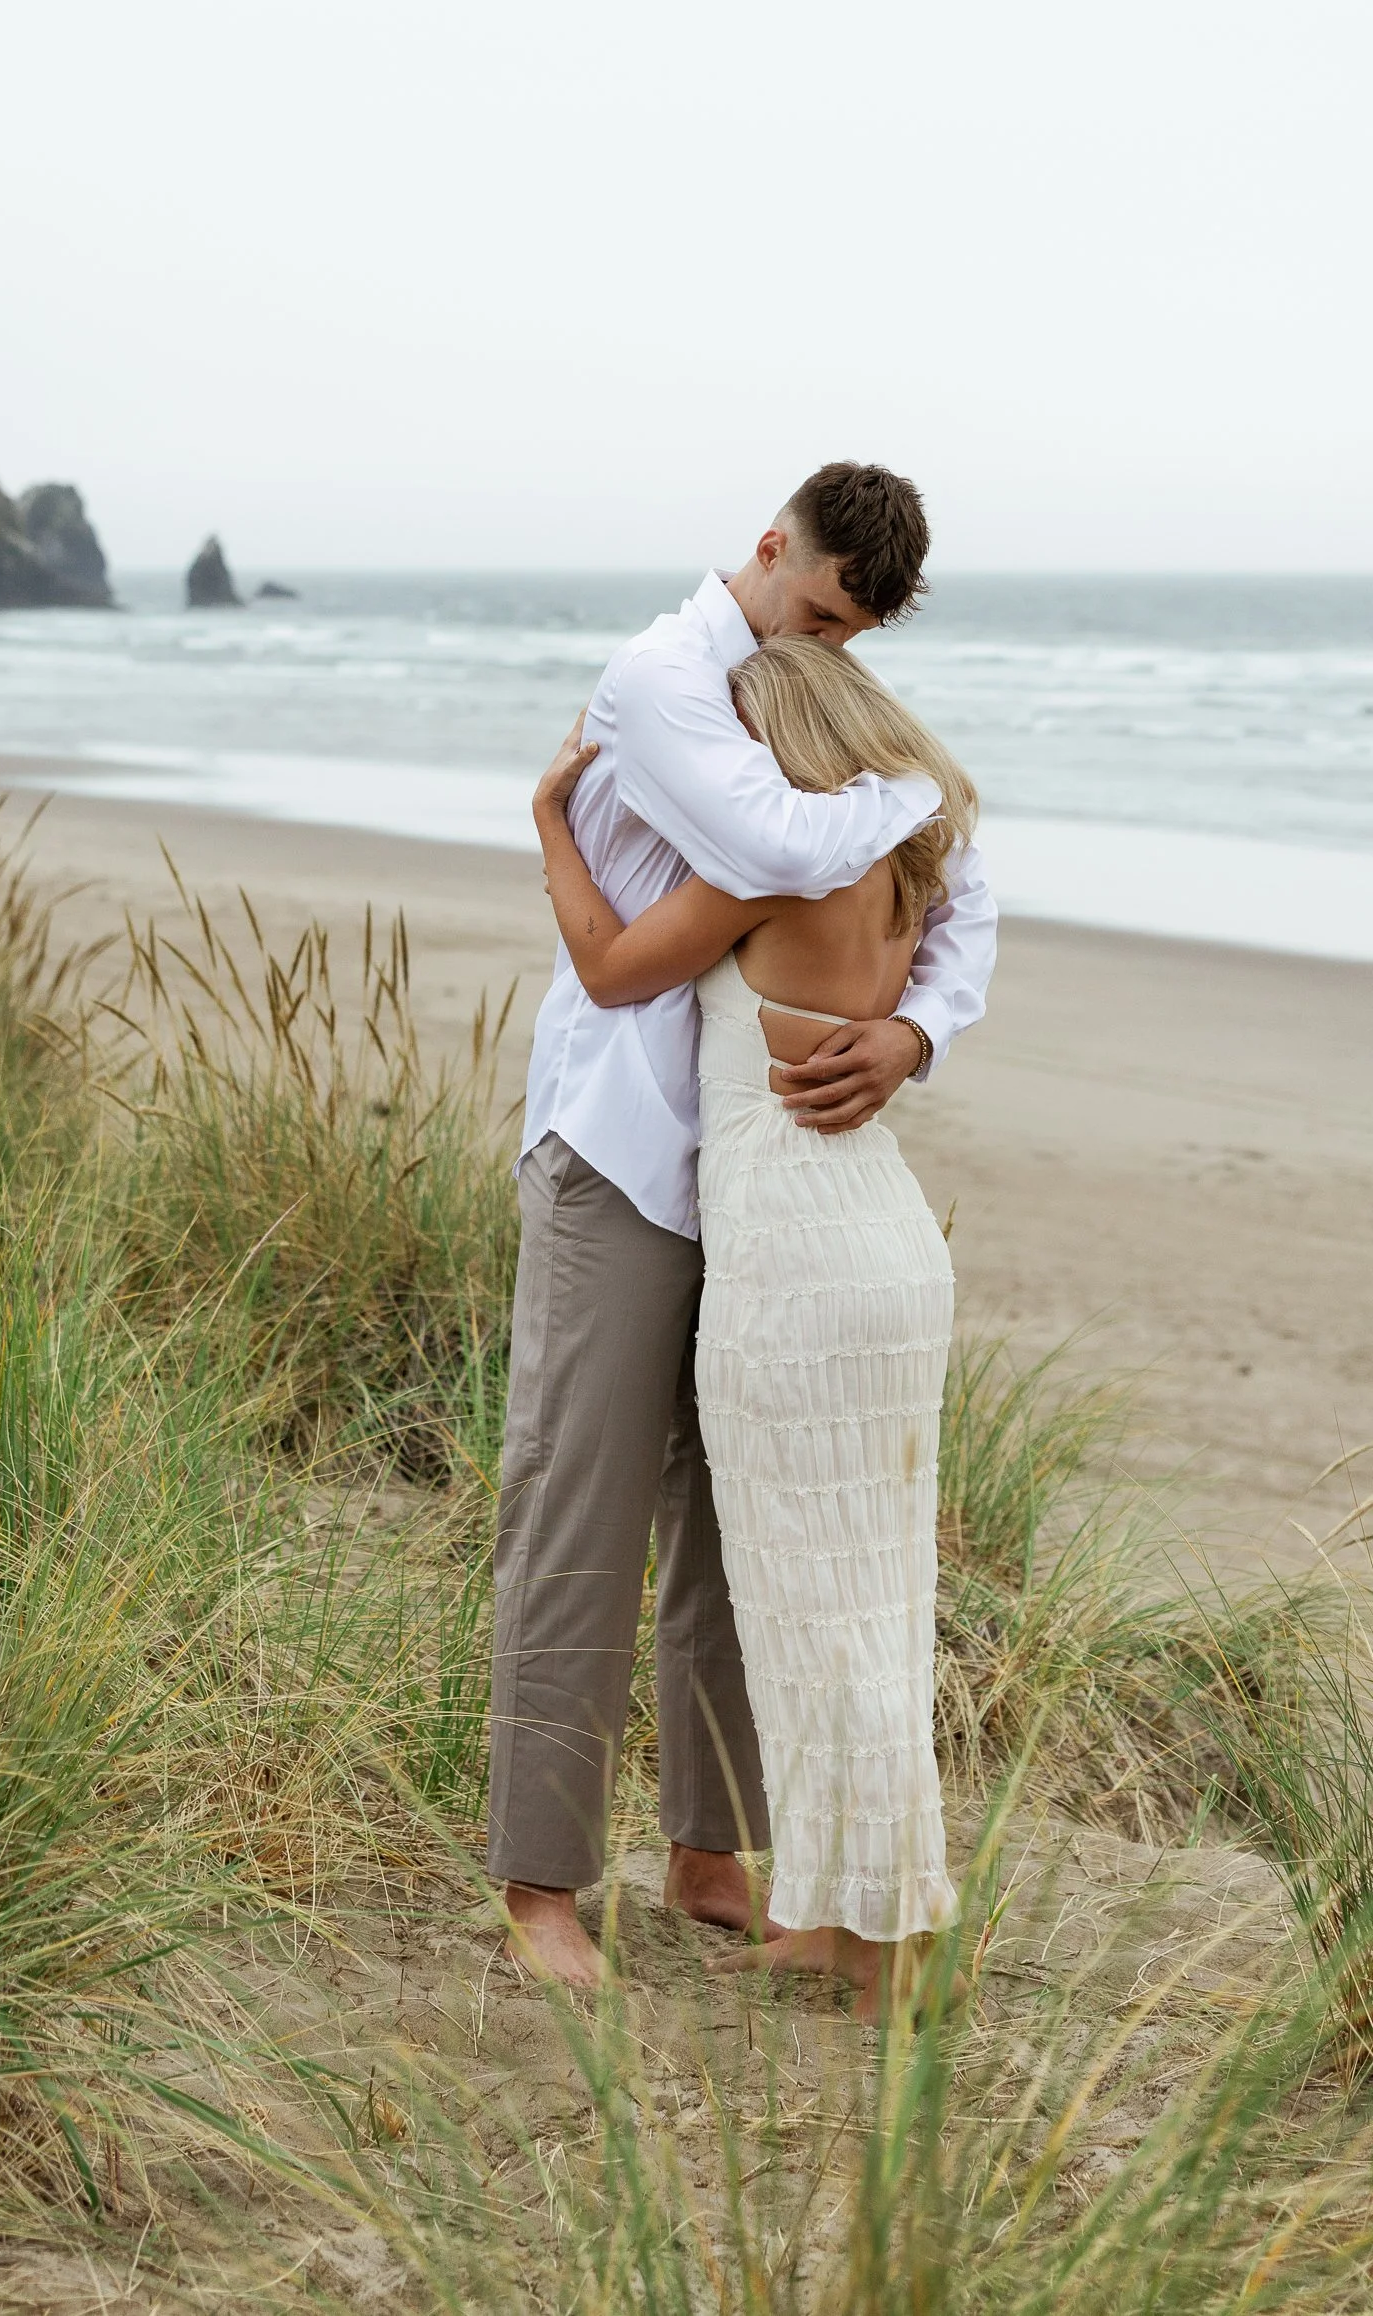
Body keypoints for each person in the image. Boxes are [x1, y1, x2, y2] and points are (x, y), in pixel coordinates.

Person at [487, 461, 995, 1996]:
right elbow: (778, 854)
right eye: (821, 612)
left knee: (738, 1524)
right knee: (579, 1503)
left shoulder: (816, 707)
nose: (834, 651)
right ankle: (542, 1886)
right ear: (771, 549)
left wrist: (916, 1036)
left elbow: (962, 907)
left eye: (856, 638)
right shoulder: (661, 681)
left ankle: (712, 1847)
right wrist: (919, 790)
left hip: (779, 1179)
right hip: (633, 1152)